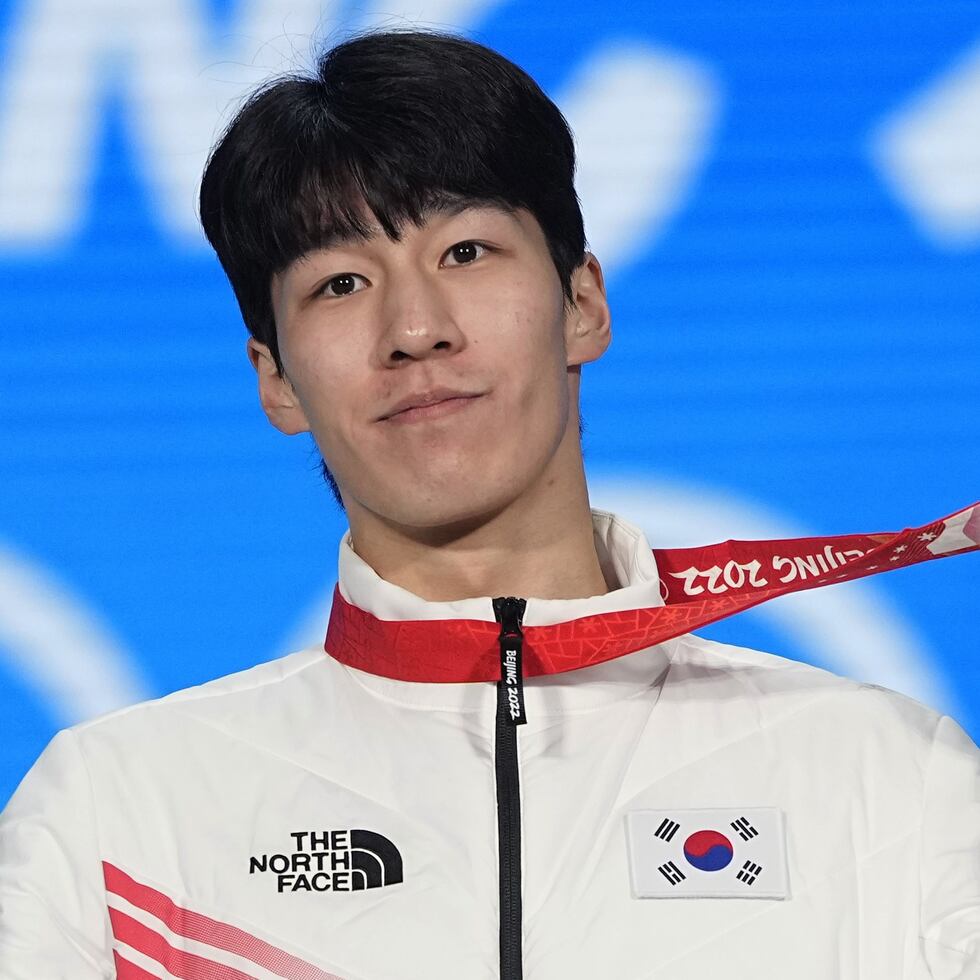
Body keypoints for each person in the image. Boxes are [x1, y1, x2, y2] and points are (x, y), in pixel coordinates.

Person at [1, 28, 978, 980]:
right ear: (277, 380)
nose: (415, 327)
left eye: (464, 252)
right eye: (340, 282)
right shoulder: (117, 813)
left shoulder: (885, 779)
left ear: (581, 302)